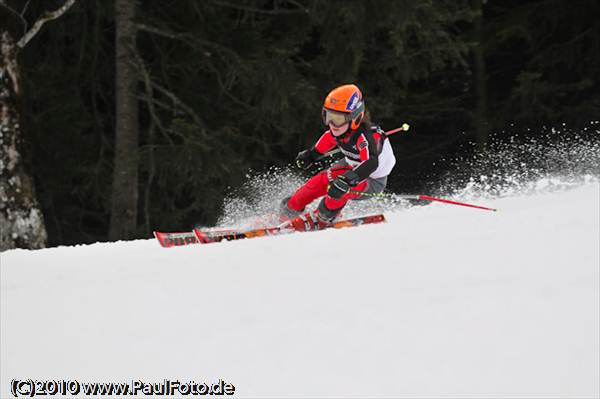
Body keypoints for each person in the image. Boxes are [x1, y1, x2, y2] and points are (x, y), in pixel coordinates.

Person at [280, 84, 396, 231]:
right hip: (349, 167)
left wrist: (347, 180)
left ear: (355, 117)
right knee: (315, 184)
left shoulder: (366, 137)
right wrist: (311, 156)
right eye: (328, 116)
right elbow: (328, 140)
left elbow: (371, 163)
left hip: (371, 180)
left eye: (338, 119)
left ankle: (323, 218)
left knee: (338, 190)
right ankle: (287, 213)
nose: (332, 124)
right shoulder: (339, 131)